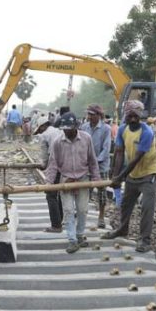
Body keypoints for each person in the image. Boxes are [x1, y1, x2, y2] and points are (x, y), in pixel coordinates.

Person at [103, 100, 156, 253]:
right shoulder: (122, 129)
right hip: (132, 174)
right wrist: (115, 174)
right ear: (126, 116)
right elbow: (120, 153)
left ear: (141, 116)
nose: (133, 119)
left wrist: (120, 177)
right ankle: (122, 230)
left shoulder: (147, 132)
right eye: (130, 116)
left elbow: (136, 159)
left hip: (149, 173)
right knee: (126, 204)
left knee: (147, 208)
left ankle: (145, 240)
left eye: (136, 116)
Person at [45, 112, 100, 254]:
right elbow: (53, 164)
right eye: (64, 129)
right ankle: (72, 239)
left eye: (69, 129)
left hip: (82, 179)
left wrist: (96, 179)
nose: (67, 131)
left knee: (82, 209)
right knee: (68, 210)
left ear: (76, 127)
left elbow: (92, 160)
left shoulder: (86, 139)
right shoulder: (58, 142)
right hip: (66, 180)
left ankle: (80, 235)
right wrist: (49, 183)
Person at [80, 104, 112, 228]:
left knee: (102, 192)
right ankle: (82, 212)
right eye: (88, 114)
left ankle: (101, 216)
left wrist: (96, 161)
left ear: (99, 115)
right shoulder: (84, 127)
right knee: (84, 190)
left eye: (92, 115)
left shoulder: (106, 129)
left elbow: (106, 148)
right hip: (86, 165)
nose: (89, 117)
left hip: (101, 165)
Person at [35, 114, 64, 232]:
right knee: (62, 192)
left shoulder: (44, 135)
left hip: (55, 165)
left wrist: (43, 166)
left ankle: (56, 225)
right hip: (66, 166)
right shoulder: (59, 131)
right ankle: (61, 219)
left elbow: (45, 158)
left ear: (42, 126)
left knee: (51, 195)